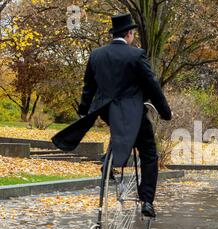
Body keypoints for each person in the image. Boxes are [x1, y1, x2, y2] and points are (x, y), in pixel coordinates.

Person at [52, 13, 172, 218]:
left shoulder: (96, 55)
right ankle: (147, 200)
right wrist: (165, 112)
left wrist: (84, 109)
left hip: (106, 111)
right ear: (129, 34)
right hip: (132, 111)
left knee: (120, 134)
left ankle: (109, 162)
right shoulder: (136, 55)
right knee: (149, 153)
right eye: (133, 33)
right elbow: (152, 86)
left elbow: (88, 87)